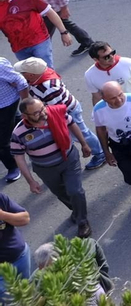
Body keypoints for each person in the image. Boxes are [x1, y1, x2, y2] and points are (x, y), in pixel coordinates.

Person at [13, 92, 94, 236]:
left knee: (75, 191)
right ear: (25, 116)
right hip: (45, 169)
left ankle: (82, 221)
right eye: (37, 113)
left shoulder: (56, 114)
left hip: (69, 159)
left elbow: (72, 124)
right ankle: (77, 210)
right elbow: (19, 158)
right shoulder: (19, 133)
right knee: (61, 193)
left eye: (43, 108)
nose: (43, 113)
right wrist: (30, 181)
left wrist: (84, 144)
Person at [14, 58, 103, 169]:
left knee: (81, 133)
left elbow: (58, 110)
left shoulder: (48, 88)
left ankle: (100, 153)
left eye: (23, 73)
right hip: (68, 107)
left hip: (69, 112)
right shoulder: (42, 75)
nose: (21, 75)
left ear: (31, 75)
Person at [0, 0, 70, 68]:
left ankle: (53, 82)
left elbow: (50, 12)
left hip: (39, 41)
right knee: (31, 75)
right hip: (18, 47)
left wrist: (64, 32)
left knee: (46, 71)